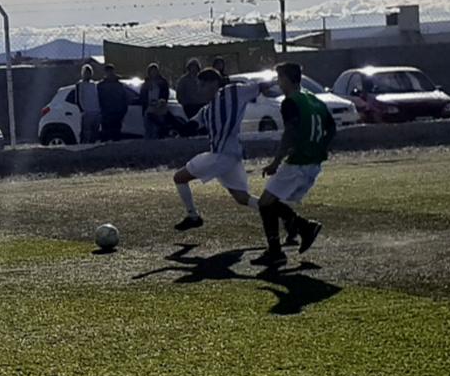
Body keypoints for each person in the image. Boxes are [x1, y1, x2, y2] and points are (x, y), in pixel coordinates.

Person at [252, 62, 334, 268]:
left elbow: (290, 133)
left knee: (265, 203)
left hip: (298, 162)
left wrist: (275, 162)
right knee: (270, 203)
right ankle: (292, 236)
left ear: (287, 79)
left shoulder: (290, 102)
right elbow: (331, 128)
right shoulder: (314, 99)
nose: (278, 83)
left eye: (280, 78)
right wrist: (319, 147)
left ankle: (295, 234)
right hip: (313, 162)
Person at [172, 69, 265, 230]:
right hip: (230, 157)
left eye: (201, 85)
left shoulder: (232, 92)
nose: (199, 90)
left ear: (213, 84)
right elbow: (187, 129)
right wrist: (166, 116)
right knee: (242, 198)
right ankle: (289, 218)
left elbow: (260, 86)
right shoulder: (207, 110)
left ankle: (193, 216)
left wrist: (283, 81)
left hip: (220, 156)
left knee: (179, 177)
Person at [97, 64, 129, 142]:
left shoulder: (119, 85)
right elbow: (98, 100)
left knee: (116, 137)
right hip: (106, 115)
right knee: (105, 137)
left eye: (111, 71)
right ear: (105, 73)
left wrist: (123, 112)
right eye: (108, 72)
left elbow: (124, 99)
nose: (110, 73)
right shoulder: (101, 86)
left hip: (117, 114)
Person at [139, 63, 172, 139]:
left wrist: (161, 102)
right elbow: (142, 96)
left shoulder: (163, 83)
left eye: (155, 71)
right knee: (148, 127)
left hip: (159, 108)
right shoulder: (145, 84)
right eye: (152, 71)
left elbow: (165, 95)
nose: (153, 73)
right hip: (148, 108)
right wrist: (146, 103)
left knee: (157, 128)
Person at [75, 64, 101, 143]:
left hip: (96, 112)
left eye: (89, 72)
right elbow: (78, 99)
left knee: (95, 133)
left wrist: (99, 110)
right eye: (86, 72)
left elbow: (97, 97)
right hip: (86, 113)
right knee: (86, 134)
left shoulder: (94, 84)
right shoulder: (80, 85)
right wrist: (83, 110)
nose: (88, 74)